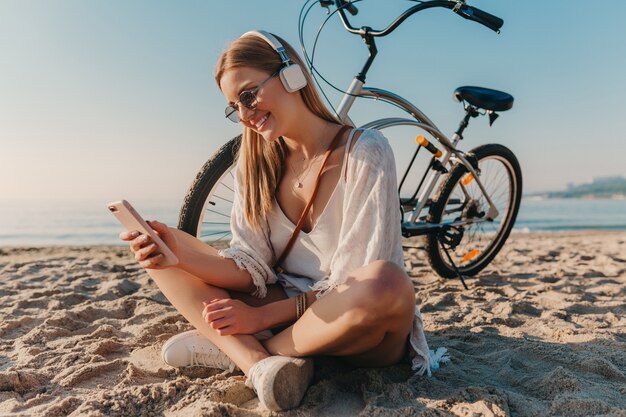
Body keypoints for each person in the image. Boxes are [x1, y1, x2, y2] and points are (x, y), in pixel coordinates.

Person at [119, 30, 435, 411]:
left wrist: (259, 318)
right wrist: (177, 257)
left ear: (292, 75)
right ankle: (261, 366)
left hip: (357, 326)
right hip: (288, 306)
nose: (245, 115)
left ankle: (243, 352)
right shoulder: (257, 164)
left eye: (249, 95)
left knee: (386, 281)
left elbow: (356, 275)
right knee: (161, 246)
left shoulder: (365, 151)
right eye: (235, 106)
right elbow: (249, 264)